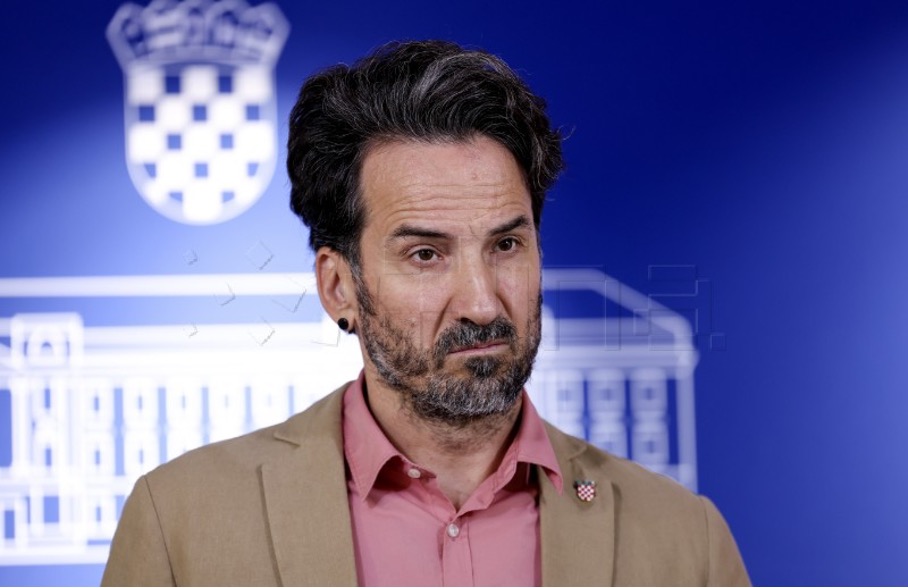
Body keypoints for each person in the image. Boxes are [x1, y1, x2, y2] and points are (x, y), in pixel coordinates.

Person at [102, 40, 750, 586]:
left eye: (506, 245)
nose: (481, 303)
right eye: (425, 255)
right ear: (338, 286)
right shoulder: (182, 523)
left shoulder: (684, 540)